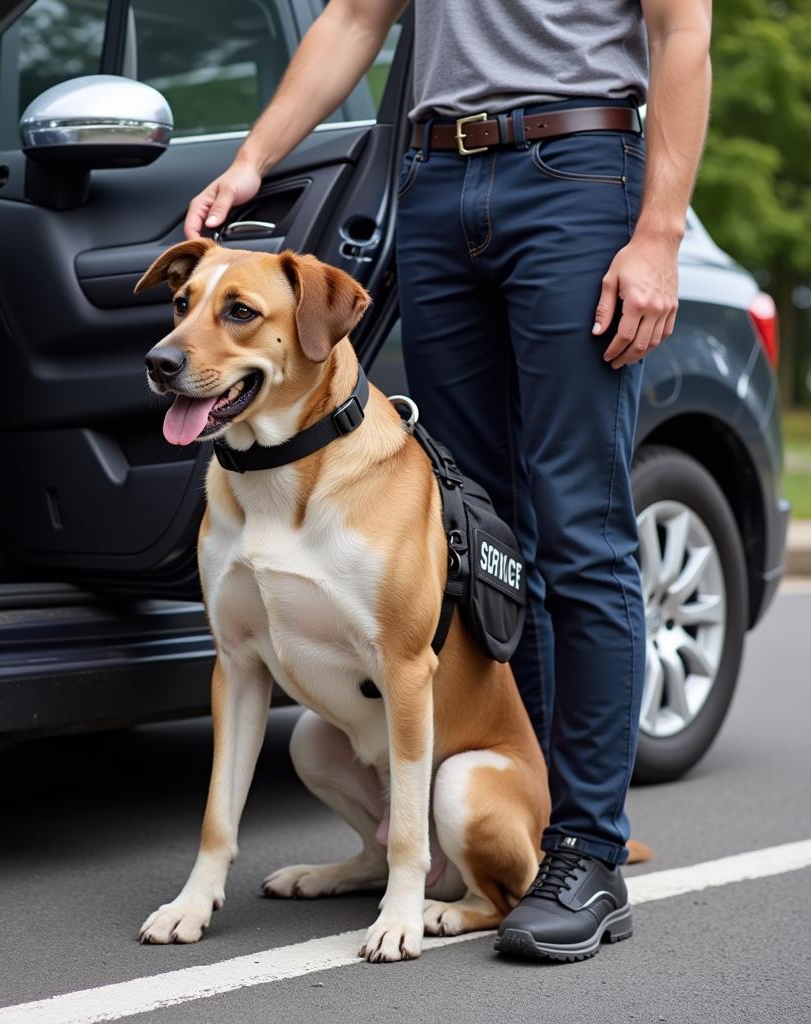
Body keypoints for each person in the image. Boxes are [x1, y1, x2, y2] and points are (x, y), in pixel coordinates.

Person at [183, 0, 711, 961]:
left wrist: (660, 233)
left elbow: (683, 34)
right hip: (436, 176)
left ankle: (585, 852)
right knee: (483, 543)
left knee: (579, 528)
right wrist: (253, 157)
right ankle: (532, 818)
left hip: (578, 171)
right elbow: (353, 17)